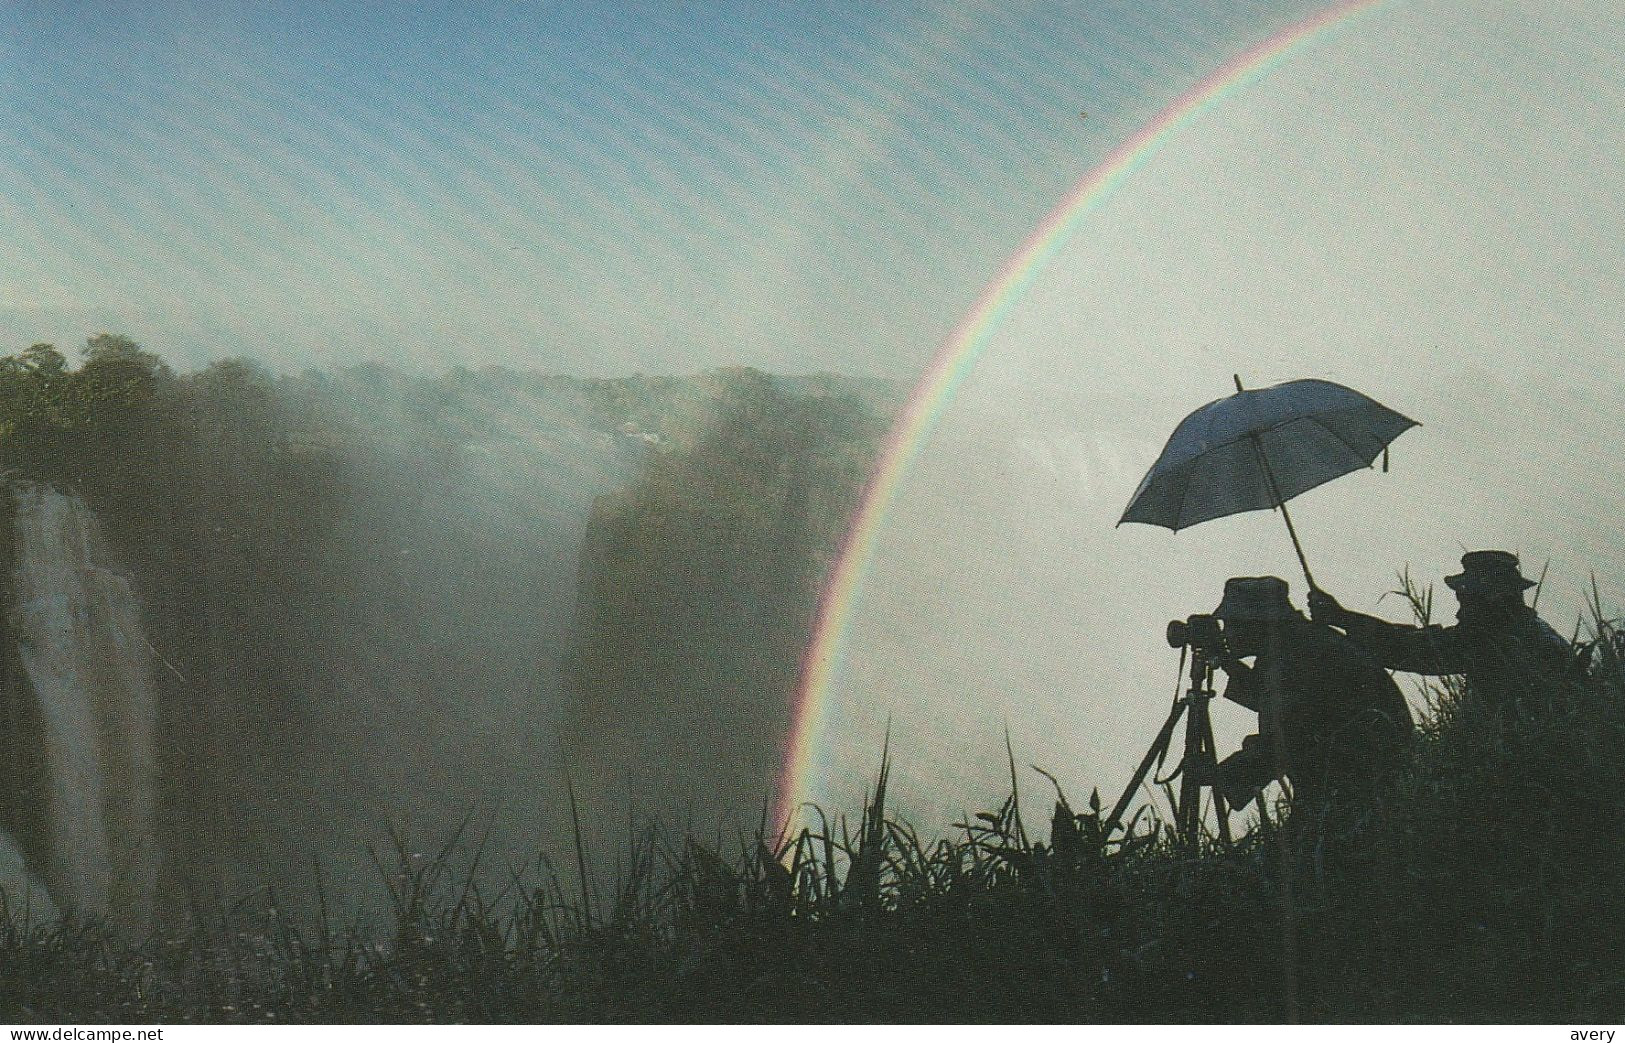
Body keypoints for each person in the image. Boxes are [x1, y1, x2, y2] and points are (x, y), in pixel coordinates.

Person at [1191, 577, 1414, 820]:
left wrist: (1219, 775)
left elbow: (1284, 742)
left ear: (1257, 624)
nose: (1227, 634)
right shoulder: (1299, 643)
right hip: (1365, 774)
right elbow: (1273, 699)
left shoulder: (1296, 656)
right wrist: (1226, 663)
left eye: (1232, 624)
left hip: (1361, 787)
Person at [1308, 551, 1574, 719]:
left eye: (1467, 599)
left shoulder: (1501, 641)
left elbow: (1418, 650)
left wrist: (1342, 619)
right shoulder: (1525, 631)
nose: (1460, 612)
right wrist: (1344, 618)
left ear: (1492, 598)